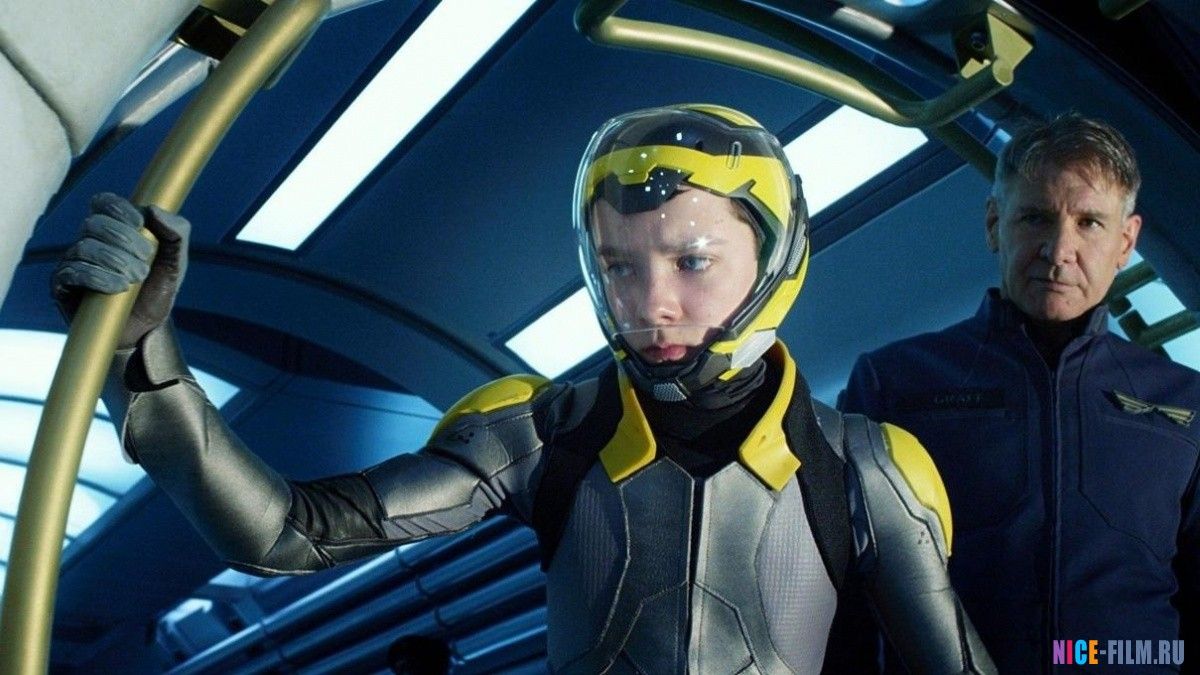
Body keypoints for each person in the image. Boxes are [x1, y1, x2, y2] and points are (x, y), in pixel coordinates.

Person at [56, 104, 995, 673]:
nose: (651, 303)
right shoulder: (538, 433)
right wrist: (139, 355)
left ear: (776, 257)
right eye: (621, 265)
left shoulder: (868, 467)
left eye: (693, 260)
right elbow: (284, 533)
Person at [841, 113, 1199, 674]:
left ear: (1126, 241)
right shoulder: (894, 383)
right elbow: (846, 594)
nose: (1059, 251)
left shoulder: (1187, 403)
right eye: (1036, 218)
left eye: (1089, 223)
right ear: (994, 224)